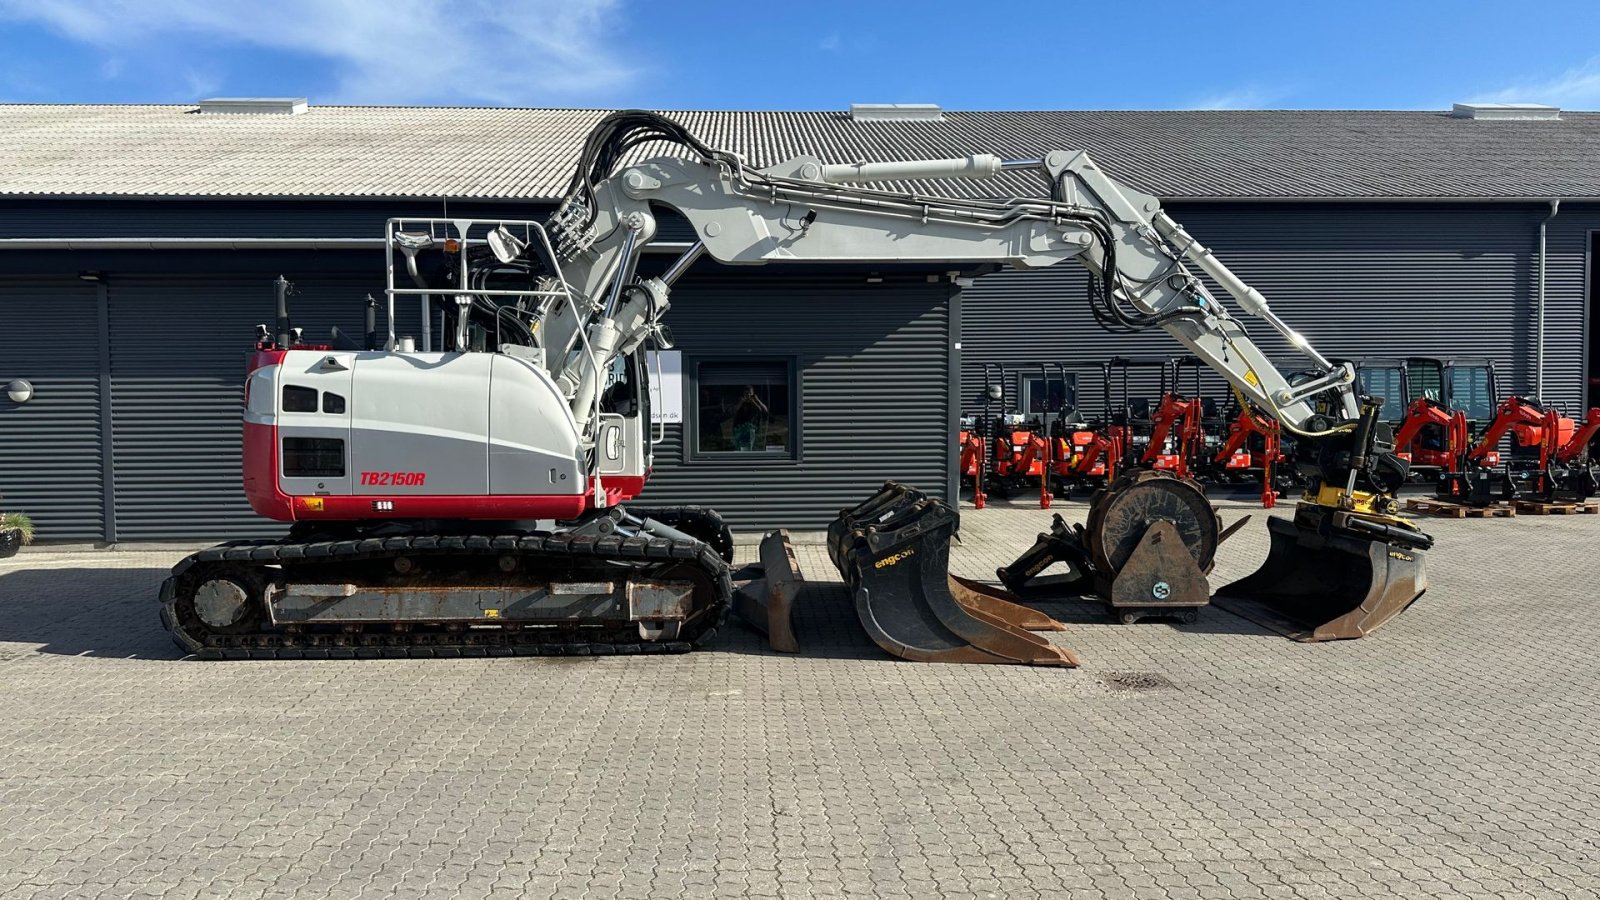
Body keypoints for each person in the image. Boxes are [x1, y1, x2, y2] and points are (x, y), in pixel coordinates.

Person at [732, 385, 769, 451]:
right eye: (746, 394)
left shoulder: (755, 402)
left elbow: (765, 410)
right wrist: (741, 402)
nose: (748, 396)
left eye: (750, 394)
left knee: (752, 448)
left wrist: (756, 401)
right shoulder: (741, 402)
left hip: (753, 430)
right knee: (742, 449)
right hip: (741, 430)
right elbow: (733, 411)